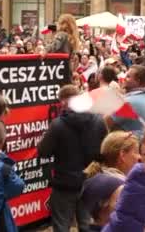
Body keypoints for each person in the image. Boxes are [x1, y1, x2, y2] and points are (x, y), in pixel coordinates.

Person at [37, 85, 108, 232]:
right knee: (88, 225)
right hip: (91, 182)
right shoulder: (99, 121)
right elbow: (105, 152)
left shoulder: (57, 125)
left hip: (65, 183)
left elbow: (43, 151)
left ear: (64, 102)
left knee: (62, 226)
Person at [96, 128, 145, 232]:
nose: (139, 158)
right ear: (122, 155)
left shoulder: (98, 178)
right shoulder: (118, 184)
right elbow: (127, 217)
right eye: (136, 152)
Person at [110, 65, 145, 135]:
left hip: (126, 143)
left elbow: (107, 120)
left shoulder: (131, 102)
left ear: (137, 81)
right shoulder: (144, 95)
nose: (124, 78)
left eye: (128, 77)